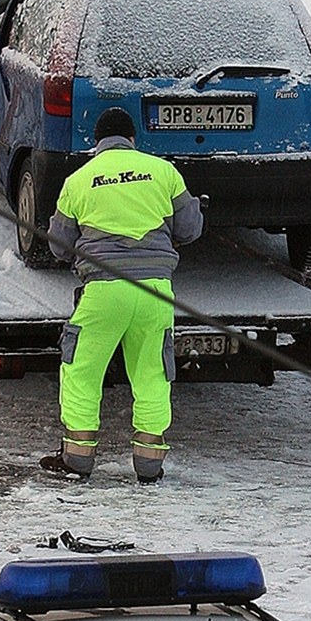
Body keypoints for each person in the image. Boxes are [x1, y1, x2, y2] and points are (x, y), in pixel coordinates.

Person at [40, 105, 204, 481]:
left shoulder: (79, 180)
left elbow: (59, 246)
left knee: (82, 369)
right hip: (155, 291)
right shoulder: (164, 172)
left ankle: (76, 460)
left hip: (103, 291)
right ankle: (149, 465)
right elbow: (190, 228)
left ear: (96, 142)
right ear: (133, 139)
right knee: (152, 373)